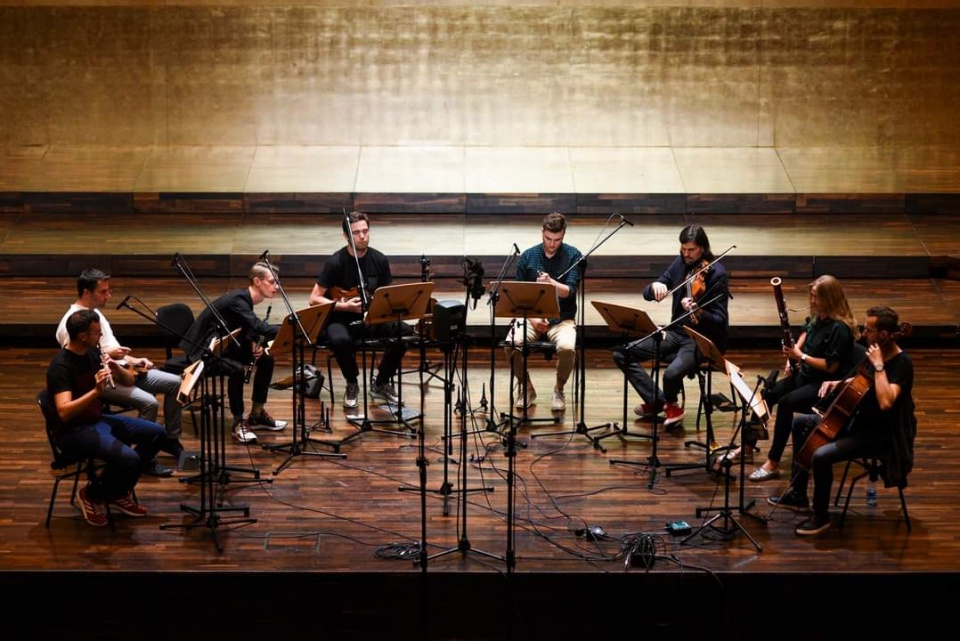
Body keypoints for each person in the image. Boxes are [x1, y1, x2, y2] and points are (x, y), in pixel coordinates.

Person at [768, 306, 916, 536]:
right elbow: (862, 382)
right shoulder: (875, 351)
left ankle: (821, 516)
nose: (864, 334)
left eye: (869, 330)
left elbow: (886, 401)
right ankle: (798, 494)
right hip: (858, 422)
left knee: (821, 455)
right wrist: (838, 383)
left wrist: (878, 365)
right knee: (800, 424)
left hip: (880, 434)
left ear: (885, 334)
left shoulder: (901, 363)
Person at [46, 309, 167, 527]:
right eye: (96, 333)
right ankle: (93, 494)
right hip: (73, 431)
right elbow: (64, 411)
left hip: (97, 420)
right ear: (83, 336)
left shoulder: (92, 354)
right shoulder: (60, 366)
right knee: (129, 459)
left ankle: (115, 489)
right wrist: (96, 392)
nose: (100, 337)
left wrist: (115, 368)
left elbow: (129, 382)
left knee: (157, 434)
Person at [55, 268, 181, 477]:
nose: (108, 296)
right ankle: (145, 459)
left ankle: (170, 439)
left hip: (123, 369)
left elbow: (109, 350)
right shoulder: (71, 323)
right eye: (103, 292)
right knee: (149, 402)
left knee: (175, 382)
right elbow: (80, 362)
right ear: (87, 293)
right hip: (103, 380)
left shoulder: (95, 314)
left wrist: (133, 360)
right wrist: (111, 358)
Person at [612, 224, 729, 428]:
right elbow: (649, 292)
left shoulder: (717, 273)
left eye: (690, 250)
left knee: (671, 374)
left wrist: (698, 311)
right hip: (674, 332)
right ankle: (657, 400)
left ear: (702, 247)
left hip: (698, 339)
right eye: (683, 249)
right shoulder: (680, 263)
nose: (686, 254)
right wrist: (654, 287)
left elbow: (720, 320)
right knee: (622, 353)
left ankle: (672, 406)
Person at [745, 275, 859, 481]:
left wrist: (801, 356)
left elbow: (831, 367)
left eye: (816, 297)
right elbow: (806, 329)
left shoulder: (839, 329)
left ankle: (773, 462)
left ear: (829, 299)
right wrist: (793, 354)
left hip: (824, 386)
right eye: (812, 296)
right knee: (766, 394)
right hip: (806, 376)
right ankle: (747, 447)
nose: (812, 301)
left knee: (786, 403)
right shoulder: (820, 317)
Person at [309, 211, 414, 409]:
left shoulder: (380, 260)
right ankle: (352, 382)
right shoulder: (335, 262)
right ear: (346, 235)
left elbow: (387, 295)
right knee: (339, 339)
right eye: (356, 232)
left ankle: (381, 382)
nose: (362, 236)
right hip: (341, 318)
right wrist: (343, 306)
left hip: (370, 317)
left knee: (404, 332)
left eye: (365, 231)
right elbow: (313, 299)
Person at [181, 260, 287, 444]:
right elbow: (257, 325)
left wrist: (254, 343)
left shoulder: (244, 300)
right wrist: (289, 327)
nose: (277, 286)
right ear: (257, 281)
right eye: (272, 282)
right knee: (236, 369)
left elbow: (244, 327)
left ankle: (257, 414)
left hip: (224, 345)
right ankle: (238, 423)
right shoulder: (238, 300)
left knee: (266, 359)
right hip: (204, 351)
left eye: (277, 282)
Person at [504, 212, 583, 412]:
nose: (552, 244)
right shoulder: (528, 257)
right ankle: (526, 387)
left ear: (563, 235)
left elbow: (569, 292)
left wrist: (551, 283)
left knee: (567, 347)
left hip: (563, 318)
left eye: (557, 240)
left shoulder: (574, 256)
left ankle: (559, 389)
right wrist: (533, 319)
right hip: (530, 317)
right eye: (548, 238)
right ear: (542, 233)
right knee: (511, 343)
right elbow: (518, 296)